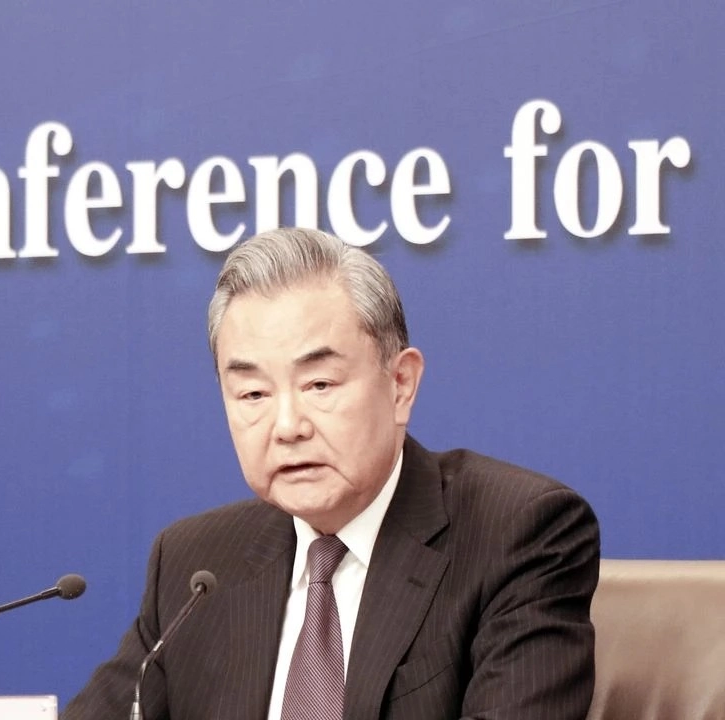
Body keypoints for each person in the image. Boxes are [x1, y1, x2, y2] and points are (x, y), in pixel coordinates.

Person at [63, 227, 600, 720]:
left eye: (319, 385)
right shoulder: (194, 564)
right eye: (253, 393)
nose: (287, 426)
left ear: (401, 384)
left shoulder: (516, 534)